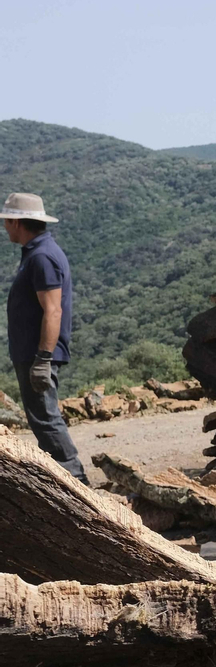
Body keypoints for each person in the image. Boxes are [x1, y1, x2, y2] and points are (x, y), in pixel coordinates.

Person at [5, 192, 86, 482]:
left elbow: (53, 311)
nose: (5, 227)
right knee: (42, 417)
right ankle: (70, 480)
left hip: (37, 354)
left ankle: (76, 480)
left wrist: (42, 359)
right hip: (32, 352)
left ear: (16, 223)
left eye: (7, 221)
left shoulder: (42, 257)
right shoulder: (37, 252)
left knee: (45, 418)